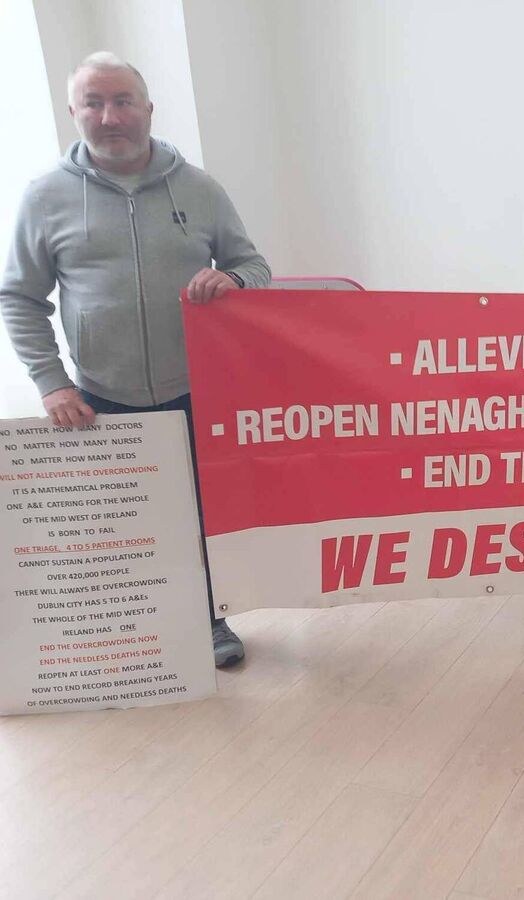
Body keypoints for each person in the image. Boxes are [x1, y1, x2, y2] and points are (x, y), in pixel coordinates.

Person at [0, 52, 271, 664]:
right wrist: (51, 383)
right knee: (121, 527)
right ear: (74, 114)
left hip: (196, 388)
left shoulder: (199, 189)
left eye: (122, 101)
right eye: (93, 104)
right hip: (98, 398)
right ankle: (131, 641)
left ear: (148, 109)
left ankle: (210, 623)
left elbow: (254, 265)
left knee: (203, 514)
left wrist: (232, 281)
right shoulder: (45, 197)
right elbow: (18, 297)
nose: (109, 116)